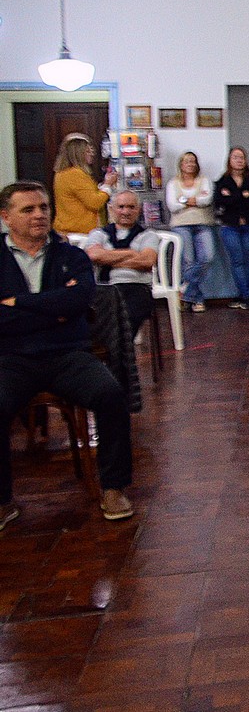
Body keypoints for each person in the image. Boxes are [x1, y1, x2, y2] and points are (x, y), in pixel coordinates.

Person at [0, 181, 135, 526]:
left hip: (67, 355)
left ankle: (114, 487)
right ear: (6, 217)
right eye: (28, 209)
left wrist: (19, 303)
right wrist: (53, 310)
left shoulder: (70, 256)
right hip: (12, 358)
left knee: (110, 395)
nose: (39, 215)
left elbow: (78, 301)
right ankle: (2, 501)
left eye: (44, 208)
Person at [84, 190, 161, 339]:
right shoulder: (98, 234)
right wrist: (131, 253)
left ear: (138, 209)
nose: (126, 212)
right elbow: (93, 255)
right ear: (112, 209)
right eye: (121, 207)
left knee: (127, 315)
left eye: (131, 207)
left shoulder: (148, 235)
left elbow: (147, 260)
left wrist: (108, 259)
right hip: (104, 288)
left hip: (136, 288)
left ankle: (119, 350)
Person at [213, 146, 249, 309]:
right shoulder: (223, 180)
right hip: (230, 226)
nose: (239, 160)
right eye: (235, 157)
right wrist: (242, 196)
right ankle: (245, 296)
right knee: (237, 261)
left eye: (241, 157)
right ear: (229, 160)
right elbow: (219, 202)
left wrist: (232, 197)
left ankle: (243, 296)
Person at [166, 151, 214, 312]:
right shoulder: (173, 183)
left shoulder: (204, 180)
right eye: (187, 161)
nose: (190, 164)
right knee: (188, 261)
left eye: (193, 161)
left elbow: (207, 200)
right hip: (181, 225)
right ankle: (197, 299)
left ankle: (185, 289)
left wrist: (183, 201)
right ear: (181, 164)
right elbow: (172, 206)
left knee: (207, 257)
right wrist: (193, 201)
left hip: (203, 224)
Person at [52, 132, 117, 235]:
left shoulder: (63, 173)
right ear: (78, 154)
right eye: (87, 151)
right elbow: (95, 203)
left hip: (72, 230)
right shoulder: (74, 174)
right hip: (77, 233)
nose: (92, 154)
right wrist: (108, 185)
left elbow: (86, 195)